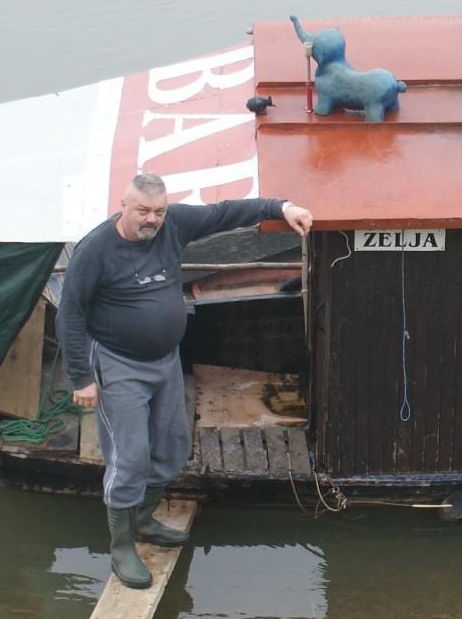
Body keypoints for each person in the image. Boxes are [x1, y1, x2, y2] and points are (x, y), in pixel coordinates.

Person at [58, 173, 314, 588]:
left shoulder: (173, 224)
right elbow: (69, 312)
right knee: (130, 457)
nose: (152, 220)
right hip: (118, 364)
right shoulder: (96, 250)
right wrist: (81, 378)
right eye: (142, 210)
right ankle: (121, 546)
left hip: (165, 362)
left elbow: (225, 212)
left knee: (173, 446)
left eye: (158, 211)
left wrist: (280, 208)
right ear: (123, 205)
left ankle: (144, 520)